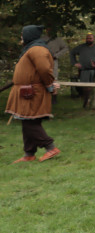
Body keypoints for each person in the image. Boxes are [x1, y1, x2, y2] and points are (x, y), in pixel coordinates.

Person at [8, 25, 61, 163]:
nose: (21, 37)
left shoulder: (37, 49)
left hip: (32, 91)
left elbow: (44, 69)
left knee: (29, 122)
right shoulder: (31, 48)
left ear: (29, 35)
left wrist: (49, 84)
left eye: (22, 34)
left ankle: (50, 147)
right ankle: (29, 154)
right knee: (28, 121)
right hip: (26, 90)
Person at [71, 33, 95, 109]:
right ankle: (85, 102)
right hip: (84, 70)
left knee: (94, 88)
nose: (89, 40)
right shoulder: (81, 47)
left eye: (90, 38)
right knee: (85, 87)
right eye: (87, 38)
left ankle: (93, 102)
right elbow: (72, 53)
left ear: (93, 39)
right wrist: (75, 63)